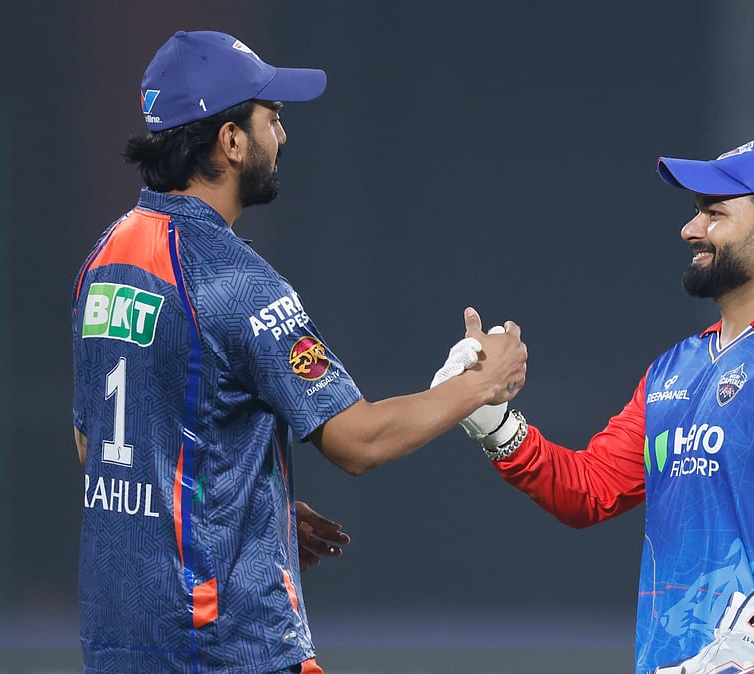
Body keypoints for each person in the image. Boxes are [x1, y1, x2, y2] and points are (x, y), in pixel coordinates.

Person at [71, 30, 526, 674]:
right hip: (227, 644)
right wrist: (480, 383)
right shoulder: (239, 283)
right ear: (230, 142)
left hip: (120, 639)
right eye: (272, 118)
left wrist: (248, 507)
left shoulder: (104, 260)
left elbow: (96, 447)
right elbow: (357, 442)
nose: (282, 136)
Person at [434, 137, 754, 674]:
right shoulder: (675, 367)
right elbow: (590, 490)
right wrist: (492, 421)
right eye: (695, 214)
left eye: (714, 214)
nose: (690, 230)